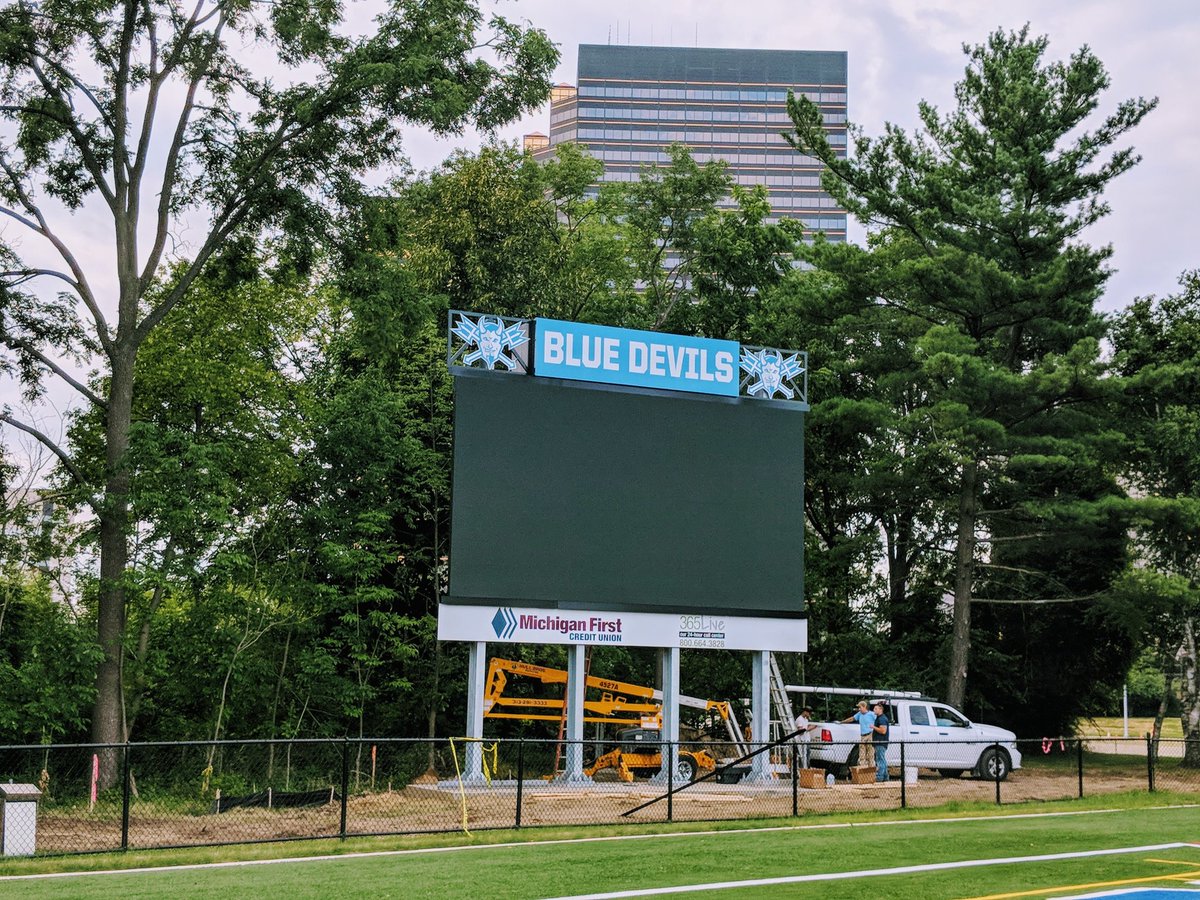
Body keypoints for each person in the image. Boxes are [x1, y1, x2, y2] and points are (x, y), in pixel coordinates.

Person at [843, 700, 874, 766]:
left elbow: (878, 722)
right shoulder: (859, 714)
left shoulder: (872, 714)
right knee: (862, 752)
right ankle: (862, 767)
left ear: (864, 706)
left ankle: (871, 767)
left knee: (870, 752)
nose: (859, 709)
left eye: (860, 707)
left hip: (870, 734)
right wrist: (843, 722)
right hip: (863, 735)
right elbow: (852, 718)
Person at [871, 702, 891, 782]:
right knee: (882, 760)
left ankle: (879, 777)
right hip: (878, 742)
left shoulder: (882, 719)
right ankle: (886, 777)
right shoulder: (879, 718)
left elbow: (883, 731)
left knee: (880, 760)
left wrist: (873, 727)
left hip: (880, 742)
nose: (874, 710)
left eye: (875, 709)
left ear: (880, 710)